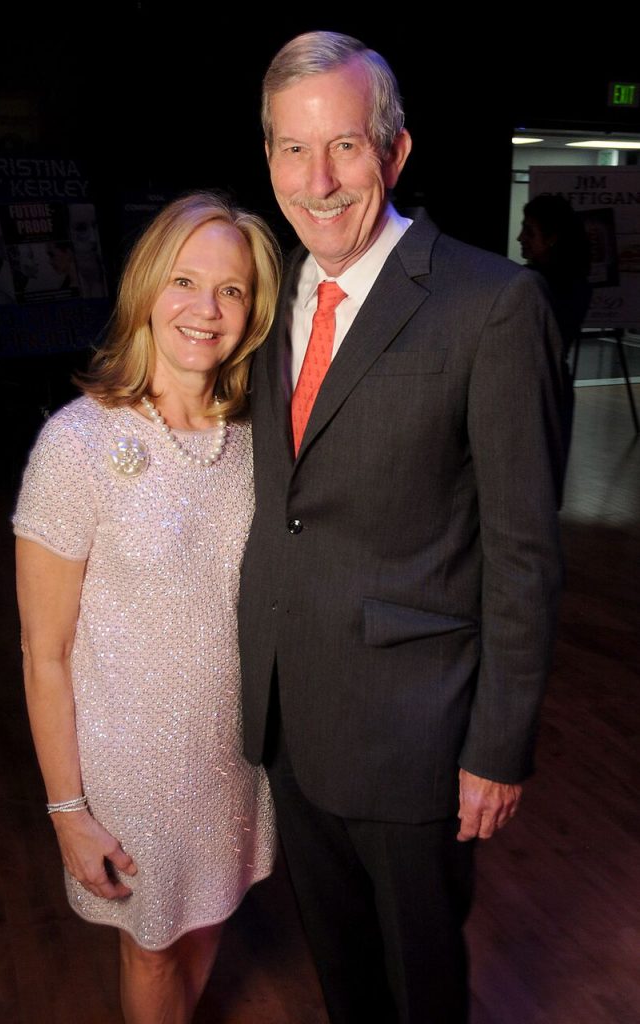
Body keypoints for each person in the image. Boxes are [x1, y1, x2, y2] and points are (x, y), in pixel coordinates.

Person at [237, 31, 566, 1024]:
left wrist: (497, 745)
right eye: (294, 149)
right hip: (289, 718)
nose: (319, 180)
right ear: (268, 157)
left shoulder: (491, 304)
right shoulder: (268, 296)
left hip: (415, 734)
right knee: (343, 977)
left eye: (344, 146)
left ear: (395, 150)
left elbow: (523, 551)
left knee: (421, 986)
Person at [13, 191, 281, 1024]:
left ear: (253, 311)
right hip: (132, 767)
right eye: (184, 281)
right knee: (152, 945)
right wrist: (67, 811)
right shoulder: (76, 444)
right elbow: (44, 653)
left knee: (207, 921)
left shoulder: (257, 439)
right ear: (145, 290)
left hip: (231, 753)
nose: (206, 309)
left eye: (231, 290)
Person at [518, 194, 591, 475]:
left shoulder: (530, 287)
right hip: (557, 388)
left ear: (551, 239)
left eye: (529, 231)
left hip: (529, 392)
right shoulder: (577, 283)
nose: (521, 238)